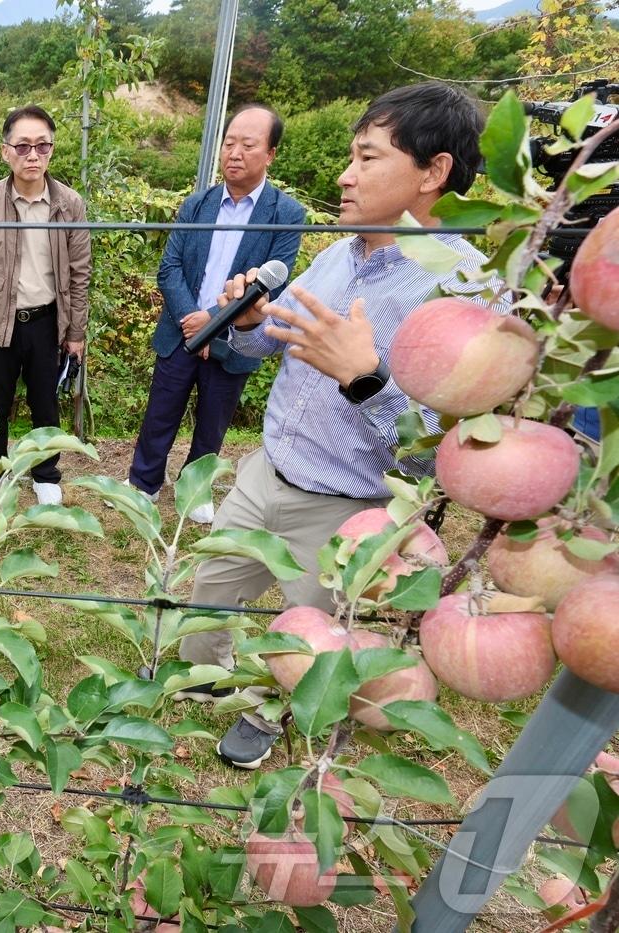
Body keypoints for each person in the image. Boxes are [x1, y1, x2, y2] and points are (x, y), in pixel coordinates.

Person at [180, 82, 491, 770]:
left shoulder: (462, 296)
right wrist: (255, 320)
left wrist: (366, 379)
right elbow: (276, 342)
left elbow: (440, 458)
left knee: (312, 640)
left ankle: (268, 714)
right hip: (265, 474)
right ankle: (206, 678)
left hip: (346, 512)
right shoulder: (336, 256)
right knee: (208, 595)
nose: (345, 176)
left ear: (433, 172)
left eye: (367, 158)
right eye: (351, 157)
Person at [131, 105, 305, 523]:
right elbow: (169, 267)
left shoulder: (286, 215)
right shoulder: (198, 204)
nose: (235, 153)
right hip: (180, 329)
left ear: (271, 154)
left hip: (236, 339)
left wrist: (212, 322)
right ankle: (143, 483)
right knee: (161, 412)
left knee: (214, 420)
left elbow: (270, 284)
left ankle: (196, 488)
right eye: (229, 143)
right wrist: (193, 317)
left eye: (248, 145)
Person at [0, 105, 90, 506]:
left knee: (44, 403)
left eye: (42, 146)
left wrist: (76, 332)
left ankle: (45, 472)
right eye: (23, 146)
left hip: (47, 321)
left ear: (51, 150)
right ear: (5, 152)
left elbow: (81, 272)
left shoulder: (69, 204)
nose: (33, 155)